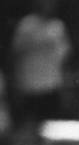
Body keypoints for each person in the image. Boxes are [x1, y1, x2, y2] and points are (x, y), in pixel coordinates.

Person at [9, 0, 72, 134]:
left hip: (51, 84)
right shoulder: (26, 25)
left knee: (50, 127)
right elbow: (16, 52)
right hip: (30, 85)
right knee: (30, 126)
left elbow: (64, 56)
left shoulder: (57, 27)